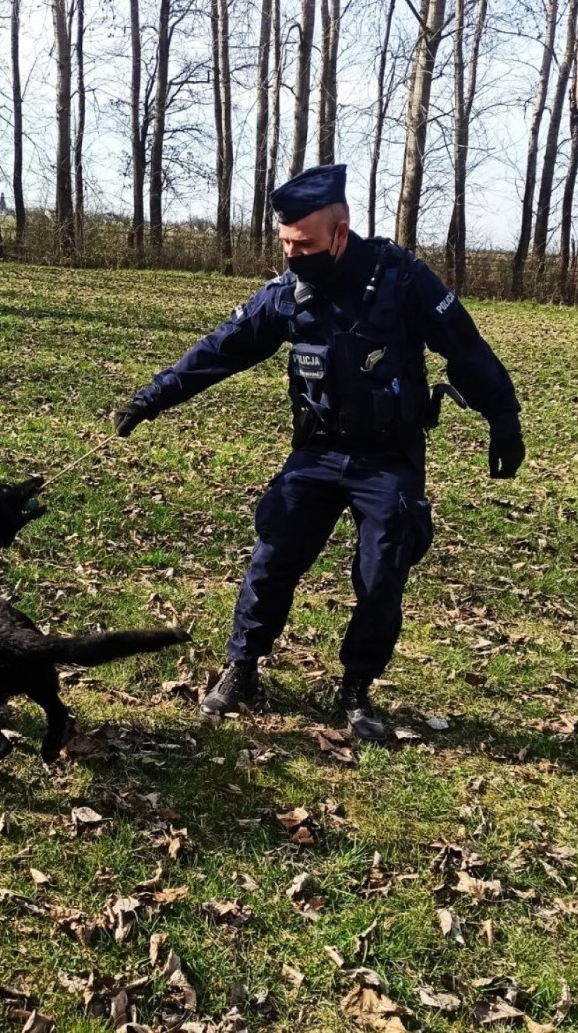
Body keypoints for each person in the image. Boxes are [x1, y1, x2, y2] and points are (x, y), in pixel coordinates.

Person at [113, 164, 524, 742]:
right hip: (318, 451)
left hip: (387, 457)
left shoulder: (402, 279)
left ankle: (356, 688)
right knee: (273, 554)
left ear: (340, 230)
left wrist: (503, 420)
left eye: (303, 243)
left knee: (383, 571)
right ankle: (243, 667)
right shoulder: (289, 294)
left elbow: (466, 347)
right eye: (285, 243)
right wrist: (152, 398)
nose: (292, 254)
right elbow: (221, 349)